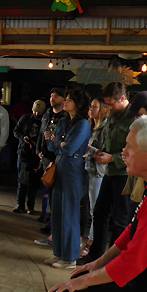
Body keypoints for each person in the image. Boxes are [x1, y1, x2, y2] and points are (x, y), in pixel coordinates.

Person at [47, 116, 147, 292]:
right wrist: (98, 263)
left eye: (130, 148)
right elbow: (131, 231)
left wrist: (87, 280)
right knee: (76, 282)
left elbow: (133, 261)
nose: (123, 153)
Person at [85, 82, 134, 262]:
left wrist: (113, 158)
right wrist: (101, 152)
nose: (109, 108)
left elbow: (136, 151)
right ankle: (96, 256)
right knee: (99, 213)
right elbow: (108, 140)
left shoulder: (134, 119)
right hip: (109, 172)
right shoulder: (113, 116)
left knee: (120, 219)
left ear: (123, 98)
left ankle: (113, 261)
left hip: (125, 175)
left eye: (112, 104)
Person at [45, 88, 92, 269]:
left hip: (73, 169)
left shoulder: (83, 124)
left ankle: (70, 257)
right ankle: (59, 252)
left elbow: (70, 148)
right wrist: (59, 144)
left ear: (78, 104)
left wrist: (58, 143)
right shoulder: (64, 121)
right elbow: (51, 145)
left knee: (69, 213)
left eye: (69, 100)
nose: (65, 102)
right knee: (57, 212)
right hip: (60, 166)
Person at [81, 98, 110, 258]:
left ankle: (91, 243)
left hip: (98, 171)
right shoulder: (90, 126)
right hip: (86, 168)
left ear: (103, 109)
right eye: (90, 106)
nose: (91, 109)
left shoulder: (105, 127)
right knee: (83, 204)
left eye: (94, 106)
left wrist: (88, 149)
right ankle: (80, 239)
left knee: (95, 209)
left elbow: (103, 151)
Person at [36, 88, 69, 225]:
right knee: (48, 188)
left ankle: (55, 222)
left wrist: (56, 136)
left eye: (55, 96)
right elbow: (41, 132)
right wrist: (39, 149)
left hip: (58, 157)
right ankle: (48, 217)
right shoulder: (47, 114)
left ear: (63, 99)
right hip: (46, 156)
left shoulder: (66, 117)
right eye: (51, 96)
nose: (52, 99)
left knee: (57, 190)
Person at [12, 99, 45, 214]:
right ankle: (19, 204)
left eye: (39, 112)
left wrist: (38, 144)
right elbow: (16, 131)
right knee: (21, 179)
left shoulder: (44, 122)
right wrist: (23, 138)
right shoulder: (25, 118)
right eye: (35, 111)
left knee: (34, 181)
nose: (37, 113)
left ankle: (31, 206)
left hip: (36, 154)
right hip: (23, 152)